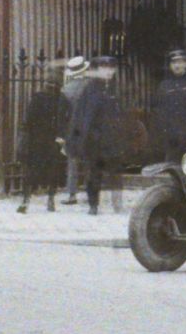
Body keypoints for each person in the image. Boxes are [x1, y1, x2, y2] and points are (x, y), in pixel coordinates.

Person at [62, 61, 123, 215]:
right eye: (104, 68)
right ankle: (93, 205)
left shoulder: (114, 88)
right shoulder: (90, 89)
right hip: (95, 139)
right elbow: (83, 116)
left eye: (110, 68)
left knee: (115, 172)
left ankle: (117, 205)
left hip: (112, 138)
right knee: (94, 173)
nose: (108, 72)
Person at [14, 82, 62, 214]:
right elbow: (63, 121)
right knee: (53, 170)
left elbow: (27, 121)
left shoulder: (35, 100)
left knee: (31, 171)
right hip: (52, 140)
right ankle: (51, 200)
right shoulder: (59, 101)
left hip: (35, 140)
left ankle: (25, 200)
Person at [58, 54, 94, 204]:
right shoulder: (92, 87)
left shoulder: (66, 89)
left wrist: (61, 134)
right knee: (89, 162)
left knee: (72, 162)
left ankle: (72, 195)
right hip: (90, 129)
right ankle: (90, 193)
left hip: (72, 130)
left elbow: (62, 114)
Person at [155, 48, 186, 164]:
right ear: (170, 65)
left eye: (180, 62)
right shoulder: (164, 85)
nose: (177, 66)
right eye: (174, 62)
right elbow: (159, 110)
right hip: (170, 135)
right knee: (170, 167)